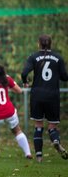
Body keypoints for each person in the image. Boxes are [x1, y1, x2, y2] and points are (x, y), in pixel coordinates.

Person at [21, 34, 68, 162]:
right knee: (52, 126)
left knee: (38, 125)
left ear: (39, 44)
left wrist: (25, 82)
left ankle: (39, 156)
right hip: (53, 95)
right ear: (50, 44)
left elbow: (24, 72)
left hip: (37, 95)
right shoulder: (58, 58)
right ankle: (56, 141)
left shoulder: (34, 57)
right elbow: (65, 77)